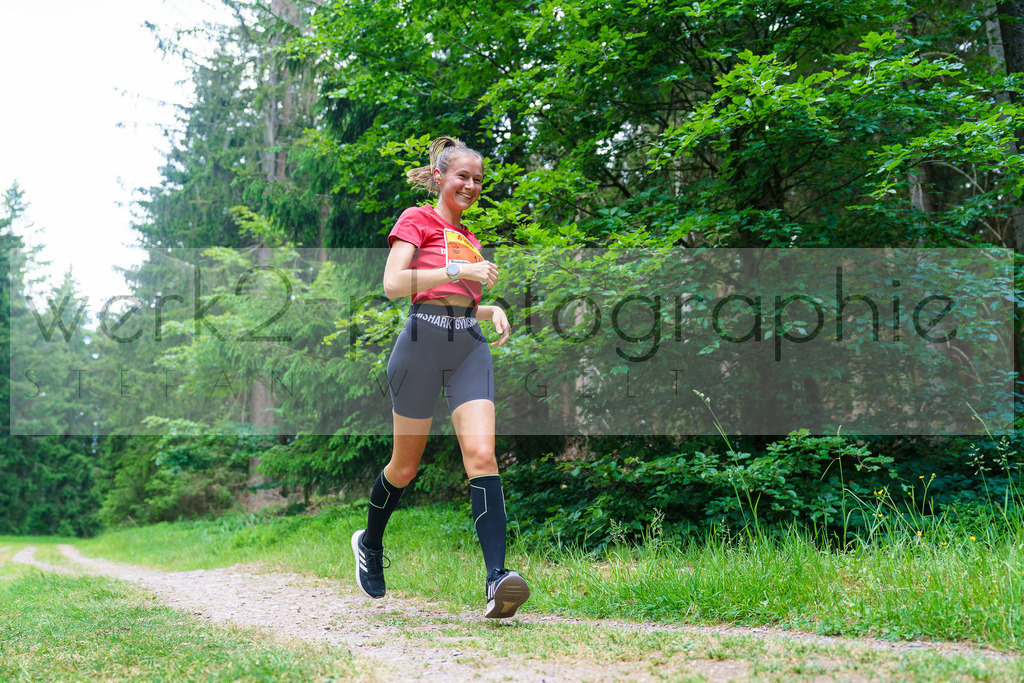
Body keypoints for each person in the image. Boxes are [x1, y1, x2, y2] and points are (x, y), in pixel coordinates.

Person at [351, 136, 530, 619]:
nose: (471, 185)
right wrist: (456, 268)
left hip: (468, 346)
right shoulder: (417, 220)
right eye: (462, 177)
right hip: (420, 347)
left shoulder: (470, 238)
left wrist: (488, 308)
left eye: (477, 179)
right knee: (404, 468)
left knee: (483, 454)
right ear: (439, 177)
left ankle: (497, 580)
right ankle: (369, 541)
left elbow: (456, 297)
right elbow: (394, 285)